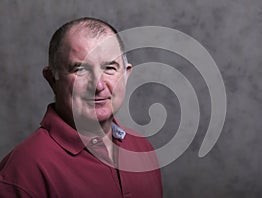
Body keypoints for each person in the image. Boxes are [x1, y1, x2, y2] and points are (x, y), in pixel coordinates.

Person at [0, 17, 162, 197]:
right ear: (52, 79)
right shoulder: (23, 171)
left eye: (109, 68)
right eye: (80, 70)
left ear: (126, 74)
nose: (99, 85)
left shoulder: (142, 148)